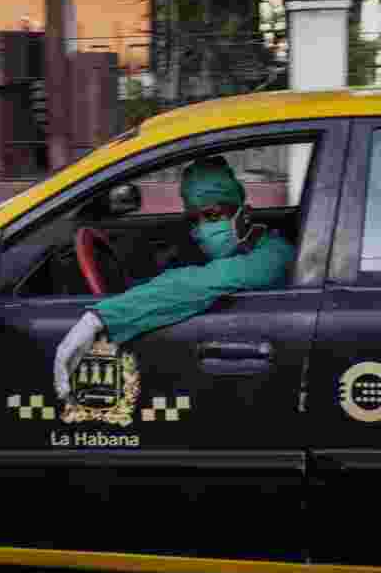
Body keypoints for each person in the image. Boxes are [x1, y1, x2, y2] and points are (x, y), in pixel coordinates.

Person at [53, 156, 296, 400]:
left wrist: (101, 318)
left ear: (242, 213)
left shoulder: (274, 255)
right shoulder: (238, 251)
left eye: (212, 215)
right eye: (194, 219)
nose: (202, 228)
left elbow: (199, 282)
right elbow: (178, 280)